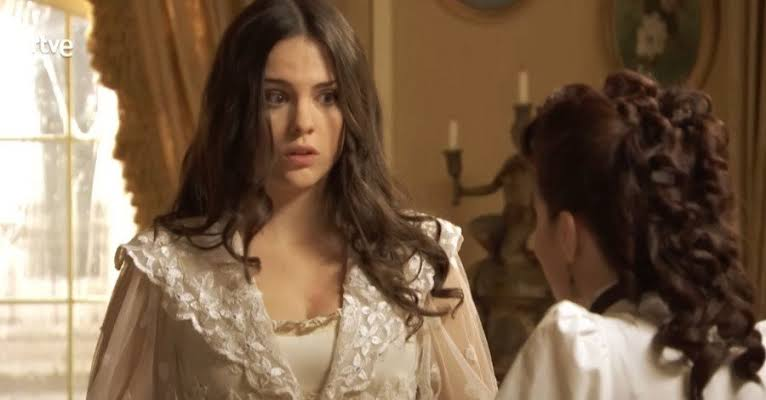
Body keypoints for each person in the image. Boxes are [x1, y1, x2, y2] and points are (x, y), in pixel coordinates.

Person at [86, 0, 497, 398]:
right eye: (276, 97)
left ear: (352, 109)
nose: (303, 123)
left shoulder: (420, 261)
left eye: (327, 96)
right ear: (236, 109)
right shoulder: (165, 270)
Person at [497, 70, 766, 399]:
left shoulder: (580, 358)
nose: (532, 243)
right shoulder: (755, 359)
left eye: (537, 219)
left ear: (568, 235)